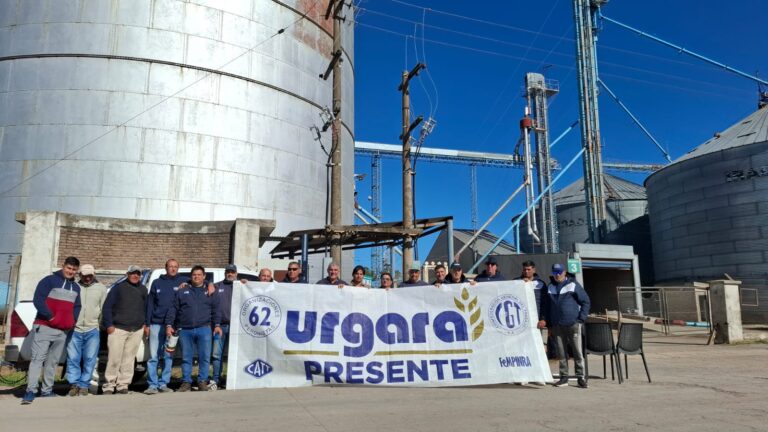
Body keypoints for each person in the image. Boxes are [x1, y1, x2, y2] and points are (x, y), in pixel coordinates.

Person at [22, 256, 82, 405]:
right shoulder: (48, 280)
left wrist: (71, 322)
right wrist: (51, 317)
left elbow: (77, 307)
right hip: (44, 326)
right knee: (37, 359)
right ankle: (31, 390)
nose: (71, 271)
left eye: (74, 269)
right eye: (69, 268)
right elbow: (38, 300)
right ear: (63, 266)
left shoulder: (75, 288)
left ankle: (47, 390)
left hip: (62, 331)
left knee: (53, 362)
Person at [166, 265, 222, 392]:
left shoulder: (210, 291)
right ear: (190, 276)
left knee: (205, 357)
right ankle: (186, 382)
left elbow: (216, 310)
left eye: (199, 274)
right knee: (186, 357)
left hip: (204, 329)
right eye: (194, 275)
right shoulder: (182, 290)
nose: (196, 277)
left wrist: (217, 325)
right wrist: (169, 325)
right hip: (185, 330)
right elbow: (173, 309)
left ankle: (202, 381)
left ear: (204, 276)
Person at [543, 263, 591, 389]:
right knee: (561, 353)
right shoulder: (550, 287)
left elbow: (586, 301)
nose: (557, 275)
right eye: (555, 272)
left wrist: (581, 318)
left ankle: (580, 377)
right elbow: (547, 307)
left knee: (577, 352)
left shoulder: (573, 285)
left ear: (564, 272)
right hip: (557, 326)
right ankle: (564, 377)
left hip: (573, 324)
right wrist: (549, 323)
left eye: (559, 272)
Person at [102, 265, 147, 395]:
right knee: (114, 358)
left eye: (138, 274)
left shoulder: (143, 289)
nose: (135, 276)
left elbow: (146, 308)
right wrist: (109, 325)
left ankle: (123, 384)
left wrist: (144, 323)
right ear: (127, 274)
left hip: (136, 330)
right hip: (118, 329)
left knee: (129, 360)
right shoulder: (118, 288)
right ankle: (109, 385)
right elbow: (107, 308)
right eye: (133, 273)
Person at [144, 259, 185, 395]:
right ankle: (152, 385)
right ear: (165, 268)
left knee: (168, 355)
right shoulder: (157, 283)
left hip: (173, 327)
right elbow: (150, 305)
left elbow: (201, 281)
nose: (173, 269)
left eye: (175, 267)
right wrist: (147, 324)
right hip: (156, 324)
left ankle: (164, 384)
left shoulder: (183, 281)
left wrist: (209, 285)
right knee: (153, 356)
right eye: (170, 266)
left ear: (178, 268)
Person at [65, 264, 106, 397]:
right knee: (73, 358)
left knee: (90, 359)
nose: (87, 278)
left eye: (90, 275)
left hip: (92, 329)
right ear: (80, 275)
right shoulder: (74, 287)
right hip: (74, 329)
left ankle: (84, 385)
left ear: (93, 275)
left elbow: (103, 309)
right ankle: (74, 384)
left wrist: (98, 325)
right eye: (85, 275)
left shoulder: (101, 288)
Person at [210, 264, 238, 391]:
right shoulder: (217, 286)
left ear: (236, 273)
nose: (230, 274)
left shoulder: (241, 286)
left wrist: (247, 283)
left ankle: (234, 380)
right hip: (219, 327)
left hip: (237, 328)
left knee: (235, 355)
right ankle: (215, 380)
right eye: (228, 271)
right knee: (216, 355)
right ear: (225, 273)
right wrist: (186, 282)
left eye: (232, 272)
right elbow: (198, 282)